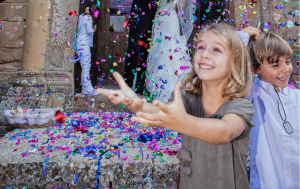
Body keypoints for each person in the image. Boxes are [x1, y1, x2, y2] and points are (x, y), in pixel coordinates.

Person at [97, 23, 254, 188]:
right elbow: (163, 112)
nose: (205, 54)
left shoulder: (241, 106)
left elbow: (225, 132)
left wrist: (184, 123)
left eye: (216, 50)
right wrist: (137, 104)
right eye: (201, 47)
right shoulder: (186, 97)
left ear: (234, 61)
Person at [240, 28, 299, 189]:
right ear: (256, 69)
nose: (285, 70)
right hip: (270, 181)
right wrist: (242, 38)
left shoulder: (296, 97)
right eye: (275, 65)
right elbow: (231, 69)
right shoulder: (252, 95)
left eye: (287, 61)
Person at [145, 0, 195, 103]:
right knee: (171, 46)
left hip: (160, 18)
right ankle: (175, 88)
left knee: (159, 47)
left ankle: (158, 87)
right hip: (171, 18)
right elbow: (181, 9)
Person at [124, 0, 161, 94]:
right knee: (133, 54)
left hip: (150, 26)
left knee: (144, 56)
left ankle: (140, 87)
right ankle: (128, 85)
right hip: (138, 24)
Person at [75, 2, 100, 96]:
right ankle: (87, 88)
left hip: (79, 43)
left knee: (84, 66)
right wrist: (94, 29)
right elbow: (89, 31)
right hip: (84, 44)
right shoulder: (88, 18)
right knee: (86, 67)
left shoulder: (81, 16)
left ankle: (86, 87)